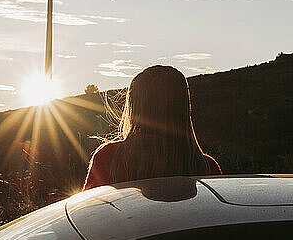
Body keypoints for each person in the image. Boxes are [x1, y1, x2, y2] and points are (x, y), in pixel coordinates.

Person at [83, 65, 221, 191]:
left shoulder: (108, 157)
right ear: (183, 109)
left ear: (134, 107)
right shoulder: (208, 168)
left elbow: (86, 213)